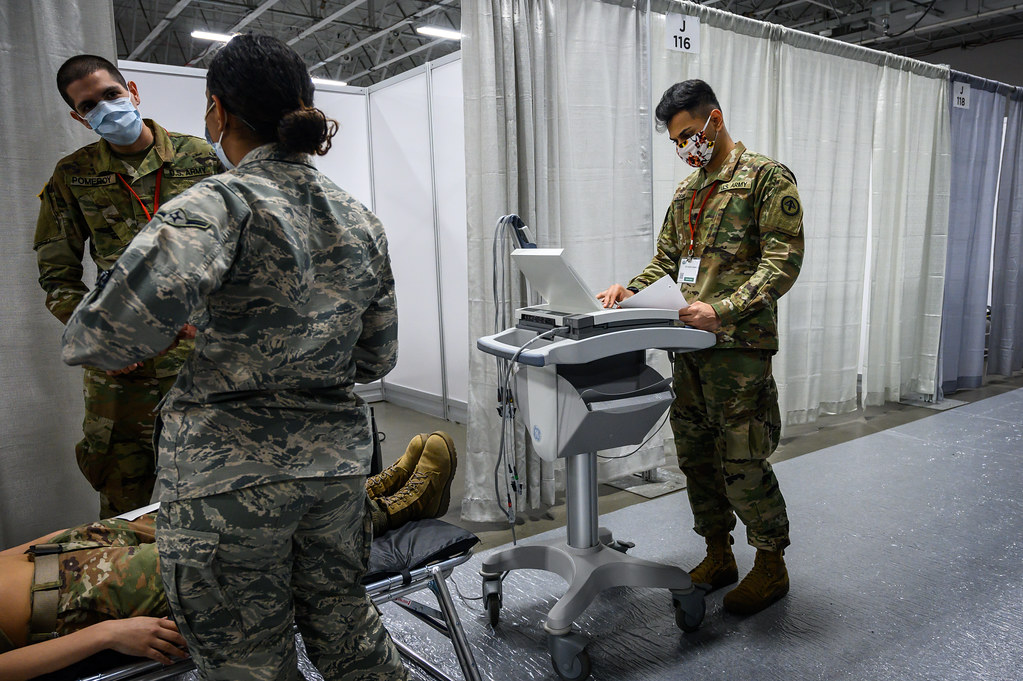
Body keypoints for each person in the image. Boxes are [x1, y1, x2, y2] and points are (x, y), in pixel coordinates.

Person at [60, 33, 407, 680]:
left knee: (248, 660)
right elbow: (377, 356)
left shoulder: (216, 203)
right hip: (334, 471)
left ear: (217, 111)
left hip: (227, 480)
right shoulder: (360, 219)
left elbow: (100, 338)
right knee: (348, 629)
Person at [0, 432, 457, 680]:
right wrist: (107, 634)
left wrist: (62, 540)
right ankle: (393, 509)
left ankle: (364, 493)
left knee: (208, 507)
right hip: (73, 600)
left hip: (62, 553)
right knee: (239, 539)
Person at [597, 80, 804, 616]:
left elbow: (781, 263)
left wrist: (724, 309)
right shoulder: (687, 192)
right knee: (696, 458)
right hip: (686, 349)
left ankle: (771, 563)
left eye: (688, 133)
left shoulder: (765, 178)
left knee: (742, 456)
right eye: (675, 141)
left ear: (715, 119)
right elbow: (667, 262)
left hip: (738, 349)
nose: (684, 146)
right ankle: (718, 553)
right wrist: (630, 290)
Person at [33, 55, 219, 519]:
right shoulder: (72, 175)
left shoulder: (201, 157)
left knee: (208, 495)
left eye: (111, 94)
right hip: (121, 375)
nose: (105, 108)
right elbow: (57, 275)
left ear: (132, 91)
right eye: (89, 105)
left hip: (201, 361)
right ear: (79, 117)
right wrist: (101, 339)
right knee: (123, 503)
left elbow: (241, 250)